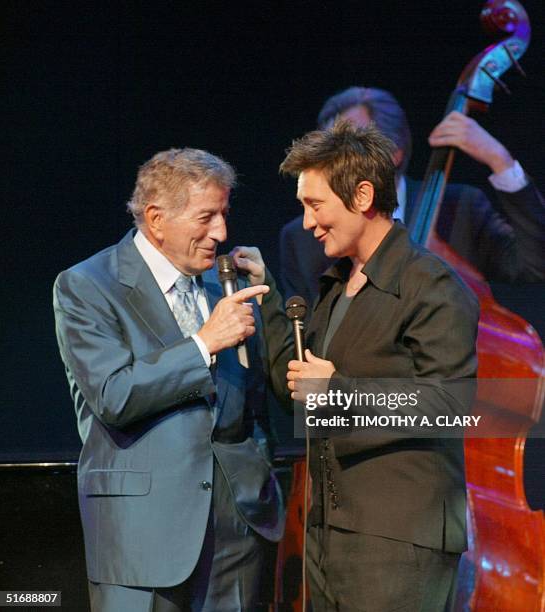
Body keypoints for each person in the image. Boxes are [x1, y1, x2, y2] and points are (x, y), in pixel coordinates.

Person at [233, 122, 479, 611]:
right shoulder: (338, 286)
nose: (306, 223)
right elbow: (301, 390)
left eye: (315, 205)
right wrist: (267, 298)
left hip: (399, 538)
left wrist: (340, 391)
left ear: (363, 195)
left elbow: (453, 403)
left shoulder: (430, 285)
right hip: (330, 533)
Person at [53, 148, 284, 612]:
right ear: (156, 219)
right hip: (141, 539)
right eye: (207, 217)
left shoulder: (226, 285)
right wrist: (202, 344)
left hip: (236, 537)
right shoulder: (87, 286)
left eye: (224, 213)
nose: (221, 232)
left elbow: (257, 400)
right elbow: (112, 395)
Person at [280, 86, 545, 305]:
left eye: (349, 152)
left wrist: (500, 160)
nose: (331, 166)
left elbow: (535, 265)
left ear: (394, 153)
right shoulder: (301, 238)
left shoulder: (460, 208)